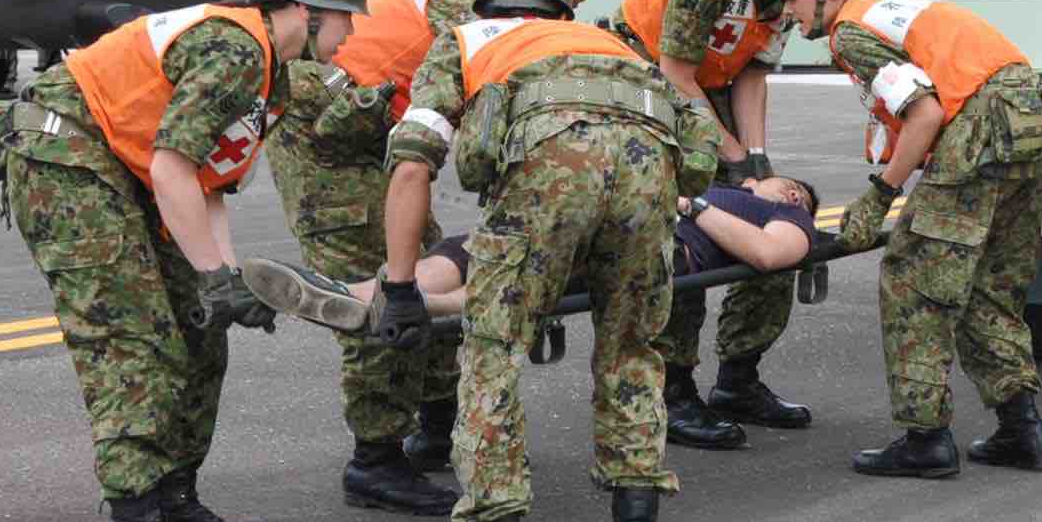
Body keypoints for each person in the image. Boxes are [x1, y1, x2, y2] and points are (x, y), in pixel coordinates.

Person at [0, 0, 370, 522]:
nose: (351, 36)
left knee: (200, 330)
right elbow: (172, 166)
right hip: (66, 158)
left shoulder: (269, 74)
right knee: (133, 339)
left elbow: (206, 185)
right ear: (306, 7)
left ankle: (176, 501)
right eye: (347, 18)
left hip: (122, 170)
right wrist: (213, 274)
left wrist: (226, 281)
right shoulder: (236, 50)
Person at [380, 0, 718, 522]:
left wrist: (398, 287)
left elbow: (414, 163)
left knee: (492, 359)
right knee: (630, 357)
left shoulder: (467, 40)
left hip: (543, 186)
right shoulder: (610, 45)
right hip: (646, 186)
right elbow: (702, 152)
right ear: (563, 2)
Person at [264, 0, 625, 519]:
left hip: (379, 129)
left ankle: (433, 426)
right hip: (332, 141)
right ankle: (374, 460)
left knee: (427, 263)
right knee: (386, 283)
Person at [769, 0, 1042, 479]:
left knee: (913, 278)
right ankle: (1021, 427)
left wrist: (880, 196)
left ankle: (925, 438)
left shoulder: (851, 31)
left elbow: (923, 113)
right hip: (1027, 122)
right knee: (987, 286)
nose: (788, 12)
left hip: (980, 125)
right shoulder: (891, 9)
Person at [609, 0, 838, 449]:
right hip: (644, 89)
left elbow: (752, 74)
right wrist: (732, 157)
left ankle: (739, 375)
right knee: (684, 228)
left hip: (706, 92)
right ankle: (675, 390)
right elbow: (676, 72)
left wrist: (757, 161)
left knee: (772, 210)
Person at [242, 178, 821, 330]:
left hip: (642, 248)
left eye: (768, 182)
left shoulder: (785, 210)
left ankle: (411, 304)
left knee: (528, 270)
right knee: (475, 247)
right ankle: (364, 295)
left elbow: (774, 256)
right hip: (594, 218)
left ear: (791, 193)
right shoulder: (737, 195)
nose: (755, 183)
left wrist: (690, 206)